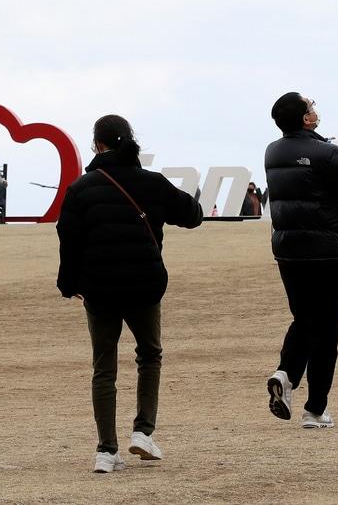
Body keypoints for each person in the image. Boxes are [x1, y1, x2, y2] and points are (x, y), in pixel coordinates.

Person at [56, 115, 203, 473]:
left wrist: (69, 284)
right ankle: (143, 432)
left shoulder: (82, 189)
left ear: (97, 145)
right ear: (130, 142)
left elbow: (68, 239)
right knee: (149, 355)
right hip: (144, 285)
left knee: (103, 368)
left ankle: (106, 451)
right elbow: (193, 215)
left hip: (99, 289)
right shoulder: (151, 182)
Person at [263, 93, 338, 430]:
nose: (315, 109)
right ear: (305, 119)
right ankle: (313, 409)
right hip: (325, 249)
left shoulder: (274, 151)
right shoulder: (325, 153)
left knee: (305, 318)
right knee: (325, 328)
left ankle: (286, 376)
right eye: (311, 107)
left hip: (287, 248)